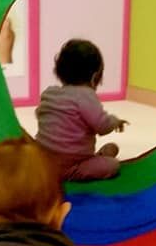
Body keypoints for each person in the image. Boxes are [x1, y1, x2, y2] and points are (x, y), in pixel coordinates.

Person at [35, 38, 129, 181]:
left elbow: (40, 114)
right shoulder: (86, 96)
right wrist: (115, 121)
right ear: (94, 77)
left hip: (41, 160)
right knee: (112, 165)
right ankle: (84, 165)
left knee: (112, 149)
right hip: (71, 165)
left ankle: (93, 159)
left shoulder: (49, 93)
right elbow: (102, 125)